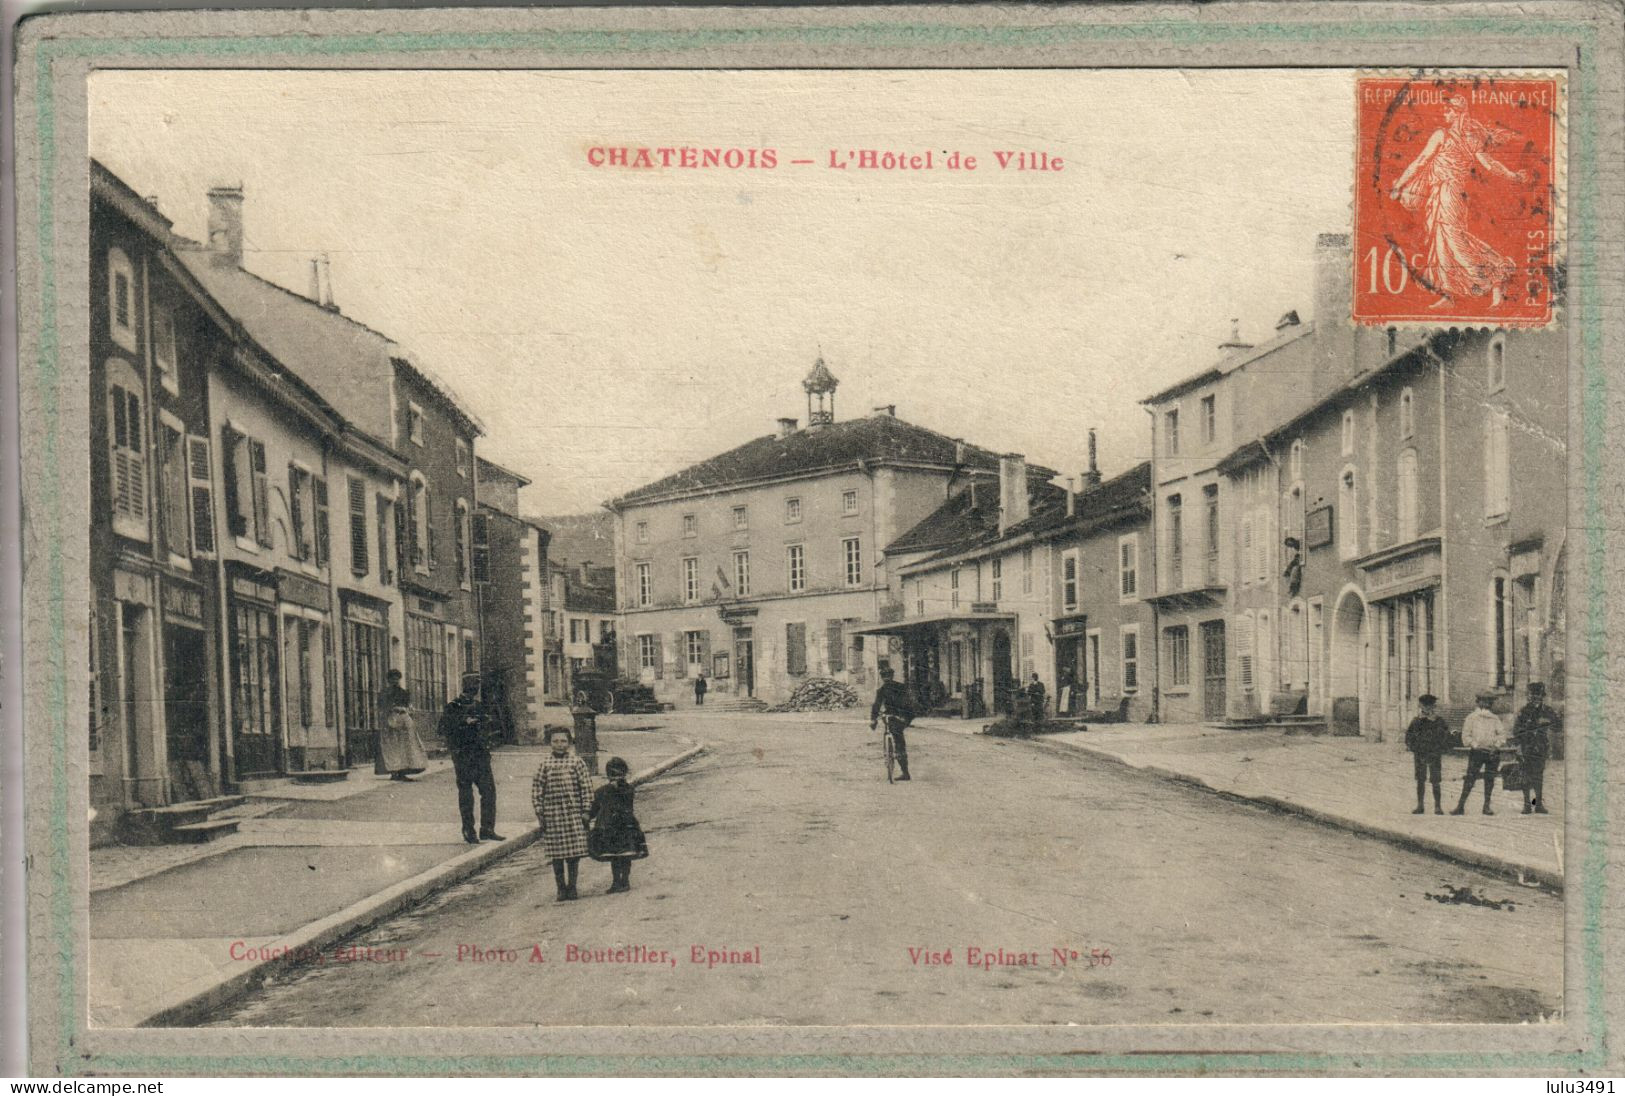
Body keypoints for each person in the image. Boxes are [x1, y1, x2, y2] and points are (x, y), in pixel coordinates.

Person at [1388, 95, 1529, 309]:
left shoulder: (1442, 135)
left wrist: (1399, 185)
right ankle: (1448, 295)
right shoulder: (1470, 139)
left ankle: (1495, 278)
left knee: (1453, 241)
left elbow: (1420, 162)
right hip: (1445, 194)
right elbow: (1490, 165)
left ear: (1457, 113)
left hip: (1447, 193)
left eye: (1448, 111)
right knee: (1443, 241)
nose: (1444, 114)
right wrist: (1513, 176)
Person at [440, 674, 502, 844]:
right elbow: (443, 728)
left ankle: (487, 829)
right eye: (473, 683)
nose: (476, 687)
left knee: (488, 792)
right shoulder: (453, 706)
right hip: (463, 755)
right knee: (466, 794)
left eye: (477, 684)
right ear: (465, 685)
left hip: (481, 755)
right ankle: (468, 829)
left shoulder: (480, 706)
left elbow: (490, 727)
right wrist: (464, 723)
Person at [532, 726, 592, 901]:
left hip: (572, 813)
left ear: (569, 742)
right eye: (555, 741)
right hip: (552, 815)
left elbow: (586, 787)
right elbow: (537, 789)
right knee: (556, 854)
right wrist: (539, 812)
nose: (559, 745)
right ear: (550, 743)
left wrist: (586, 810)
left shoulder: (577, 762)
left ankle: (572, 887)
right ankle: (561, 888)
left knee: (573, 854)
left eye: (563, 741)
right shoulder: (545, 764)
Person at [588, 756, 648, 894]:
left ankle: (625, 880)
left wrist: (615, 789)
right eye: (612, 775)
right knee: (614, 856)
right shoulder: (602, 791)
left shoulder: (627, 789)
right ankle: (616, 881)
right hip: (609, 829)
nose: (616, 778)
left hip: (625, 827)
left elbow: (627, 802)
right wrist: (588, 816)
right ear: (608, 776)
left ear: (624, 774)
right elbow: (595, 807)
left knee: (626, 854)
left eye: (619, 775)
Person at [1451, 692, 1506, 816]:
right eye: (1484, 701)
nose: (1486, 704)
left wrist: (1496, 746)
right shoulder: (1471, 718)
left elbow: (1502, 735)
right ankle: (1460, 806)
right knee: (1470, 778)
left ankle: (1486, 806)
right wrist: (1476, 745)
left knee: (1490, 779)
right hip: (1477, 752)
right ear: (1478, 702)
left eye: (1489, 702)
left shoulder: (1495, 718)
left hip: (1492, 753)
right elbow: (1466, 736)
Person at [1511, 682, 1559, 815]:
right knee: (1525, 775)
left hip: (1541, 747)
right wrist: (1519, 747)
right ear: (1529, 696)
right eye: (1532, 694)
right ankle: (1527, 804)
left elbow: (1558, 726)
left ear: (1542, 696)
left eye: (1537, 694)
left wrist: (1549, 723)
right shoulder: (1524, 711)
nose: (1535, 697)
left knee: (1538, 776)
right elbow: (1516, 731)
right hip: (1526, 747)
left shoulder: (1547, 711)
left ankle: (1538, 804)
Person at [374, 669, 428, 781]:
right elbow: (382, 708)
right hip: (390, 721)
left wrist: (407, 711)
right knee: (392, 747)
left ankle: (403, 770)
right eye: (392, 679)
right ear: (388, 680)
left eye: (397, 678)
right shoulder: (384, 693)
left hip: (404, 721)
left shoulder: (404, 692)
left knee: (405, 746)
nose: (395, 681)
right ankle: (394, 771)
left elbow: (409, 706)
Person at [1404, 693, 1451, 815]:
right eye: (1425, 706)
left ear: (1434, 706)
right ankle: (1420, 805)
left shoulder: (1439, 721)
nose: (1427, 708)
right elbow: (1408, 737)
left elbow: (1445, 736)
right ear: (1420, 706)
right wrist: (1414, 748)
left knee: (1436, 780)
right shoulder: (1416, 721)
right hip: (1420, 754)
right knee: (1420, 779)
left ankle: (1438, 806)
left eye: (1430, 706)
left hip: (1434, 753)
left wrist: (1440, 748)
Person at [870, 666, 914, 782]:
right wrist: (874, 719)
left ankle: (905, 772)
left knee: (899, 741)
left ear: (891, 676)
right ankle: (904, 770)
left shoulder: (897, 688)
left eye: (887, 676)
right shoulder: (884, 690)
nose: (886, 678)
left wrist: (906, 717)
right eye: (885, 677)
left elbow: (908, 703)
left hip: (902, 715)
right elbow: (876, 705)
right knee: (894, 733)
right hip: (894, 716)